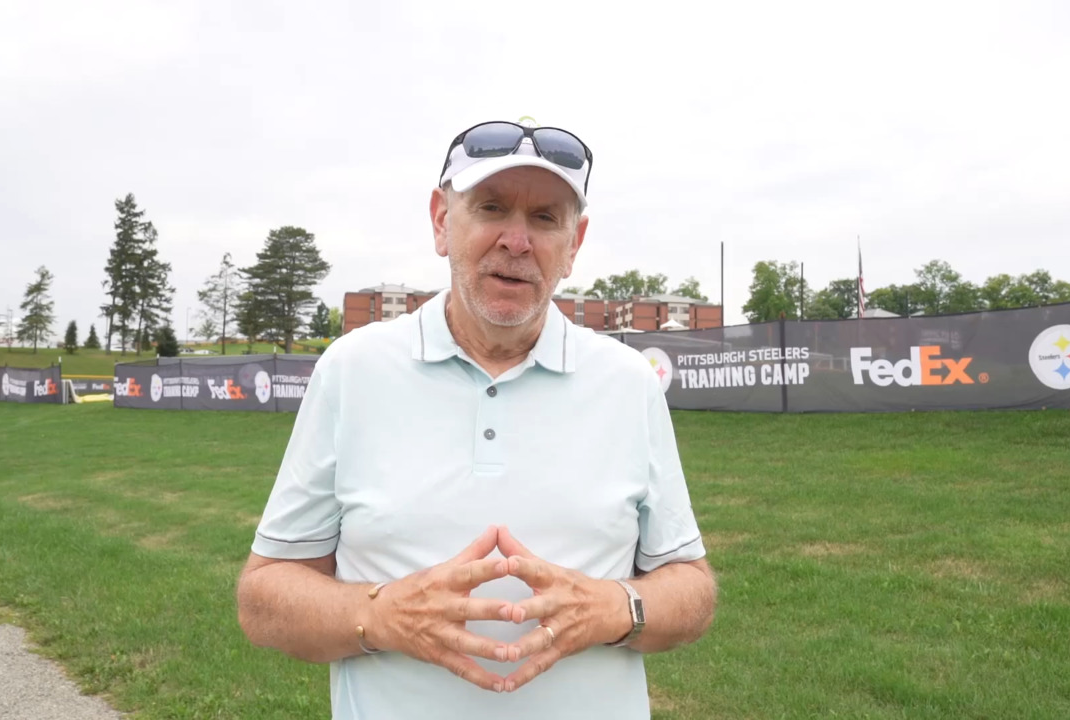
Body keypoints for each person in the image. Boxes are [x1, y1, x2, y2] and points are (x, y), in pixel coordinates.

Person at [236, 119, 717, 719]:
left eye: (545, 218)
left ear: (575, 243)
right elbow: (264, 597)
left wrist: (614, 608)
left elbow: (691, 589)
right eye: (491, 207)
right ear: (441, 220)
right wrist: (380, 615)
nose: (516, 241)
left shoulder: (625, 383)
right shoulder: (353, 369)